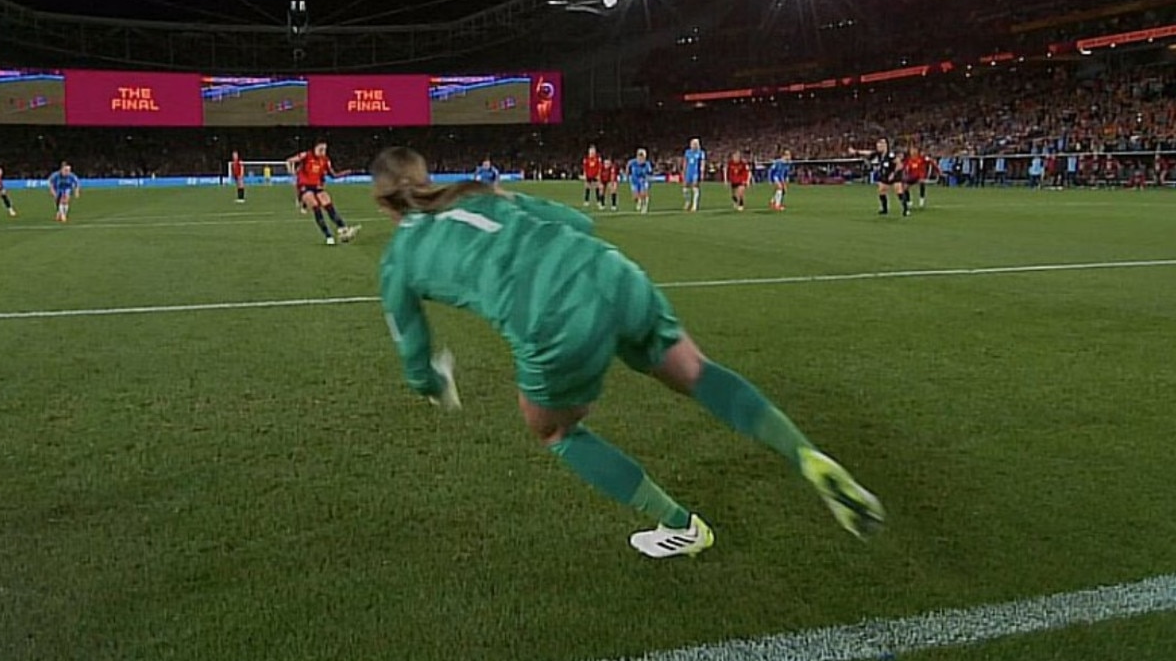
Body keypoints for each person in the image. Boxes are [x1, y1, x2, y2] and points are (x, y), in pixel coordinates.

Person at [371, 146, 884, 558]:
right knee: (696, 371)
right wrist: (513, 205)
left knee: (552, 428)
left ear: (381, 203)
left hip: (551, 318)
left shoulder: (399, 259)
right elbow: (583, 224)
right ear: (425, 175)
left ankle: (681, 526)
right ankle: (805, 455)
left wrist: (433, 382)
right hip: (611, 270)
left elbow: (414, 352)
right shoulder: (479, 194)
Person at [286, 141, 359, 245]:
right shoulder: (306, 155)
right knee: (316, 206)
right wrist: (291, 172)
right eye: (321, 149)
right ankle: (328, 236)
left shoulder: (325, 160)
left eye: (325, 150)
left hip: (317, 187)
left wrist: (344, 173)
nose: (323, 152)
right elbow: (289, 161)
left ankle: (342, 229)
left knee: (328, 204)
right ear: (315, 148)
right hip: (304, 186)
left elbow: (333, 175)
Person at [849, 139, 907, 217]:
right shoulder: (879, 154)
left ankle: (905, 209)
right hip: (885, 174)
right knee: (881, 190)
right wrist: (856, 151)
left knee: (898, 190)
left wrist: (893, 174)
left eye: (880, 145)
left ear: (885, 146)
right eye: (877, 145)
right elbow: (868, 152)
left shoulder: (890, 154)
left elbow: (899, 164)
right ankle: (884, 209)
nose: (878, 147)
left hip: (895, 174)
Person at [682, 138, 706, 212]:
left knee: (695, 187)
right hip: (689, 171)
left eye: (696, 144)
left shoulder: (701, 153)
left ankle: (694, 205)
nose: (694, 145)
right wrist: (684, 171)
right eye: (693, 144)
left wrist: (702, 172)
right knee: (685, 188)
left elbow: (702, 163)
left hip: (696, 172)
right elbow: (685, 162)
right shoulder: (687, 152)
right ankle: (687, 201)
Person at [627, 148, 653, 214]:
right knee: (635, 197)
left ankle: (645, 206)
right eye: (639, 156)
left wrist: (647, 182)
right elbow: (628, 167)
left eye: (642, 156)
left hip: (643, 180)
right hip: (634, 181)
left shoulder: (647, 164)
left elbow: (649, 174)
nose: (640, 158)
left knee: (643, 194)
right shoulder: (632, 162)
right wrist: (628, 175)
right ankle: (639, 201)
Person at [582, 145, 604, 209]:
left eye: (593, 151)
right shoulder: (586, 159)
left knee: (597, 188)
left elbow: (600, 167)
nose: (592, 152)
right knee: (587, 187)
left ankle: (598, 201)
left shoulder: (598, 158)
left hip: (595, 175)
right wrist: (585, 175)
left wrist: (598, 175)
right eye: (591, 151)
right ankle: (586, 201)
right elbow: (585, 168)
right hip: (589, 175)